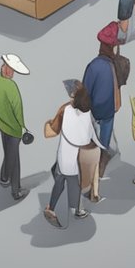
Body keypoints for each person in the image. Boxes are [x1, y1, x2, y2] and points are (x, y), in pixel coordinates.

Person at [44, 83, 101, 228]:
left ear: (74, 97)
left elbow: (50, 132)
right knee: (75, 183)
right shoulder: (88, 112)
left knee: (60, 180)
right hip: (80, 157)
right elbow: (91, 134)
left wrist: (47, 123)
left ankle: (52, 208)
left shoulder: (65, 110)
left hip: (65, 155)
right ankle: (78, 210)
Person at [0, 53, 31, 202]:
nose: (12, 73)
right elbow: (18, 109)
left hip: (1, 124)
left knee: (7, 150)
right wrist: (23, 127)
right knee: (14, 158)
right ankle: (16, 190)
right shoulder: (11, 87)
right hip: (13, 129)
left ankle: (3, 177)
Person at [83, 29, 122, 151]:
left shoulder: (93, 66)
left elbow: (85, 91)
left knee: (91, 143)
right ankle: (102, 157)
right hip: (109, 112)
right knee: (104, 143)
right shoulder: (113, 66)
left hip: (94, 112)